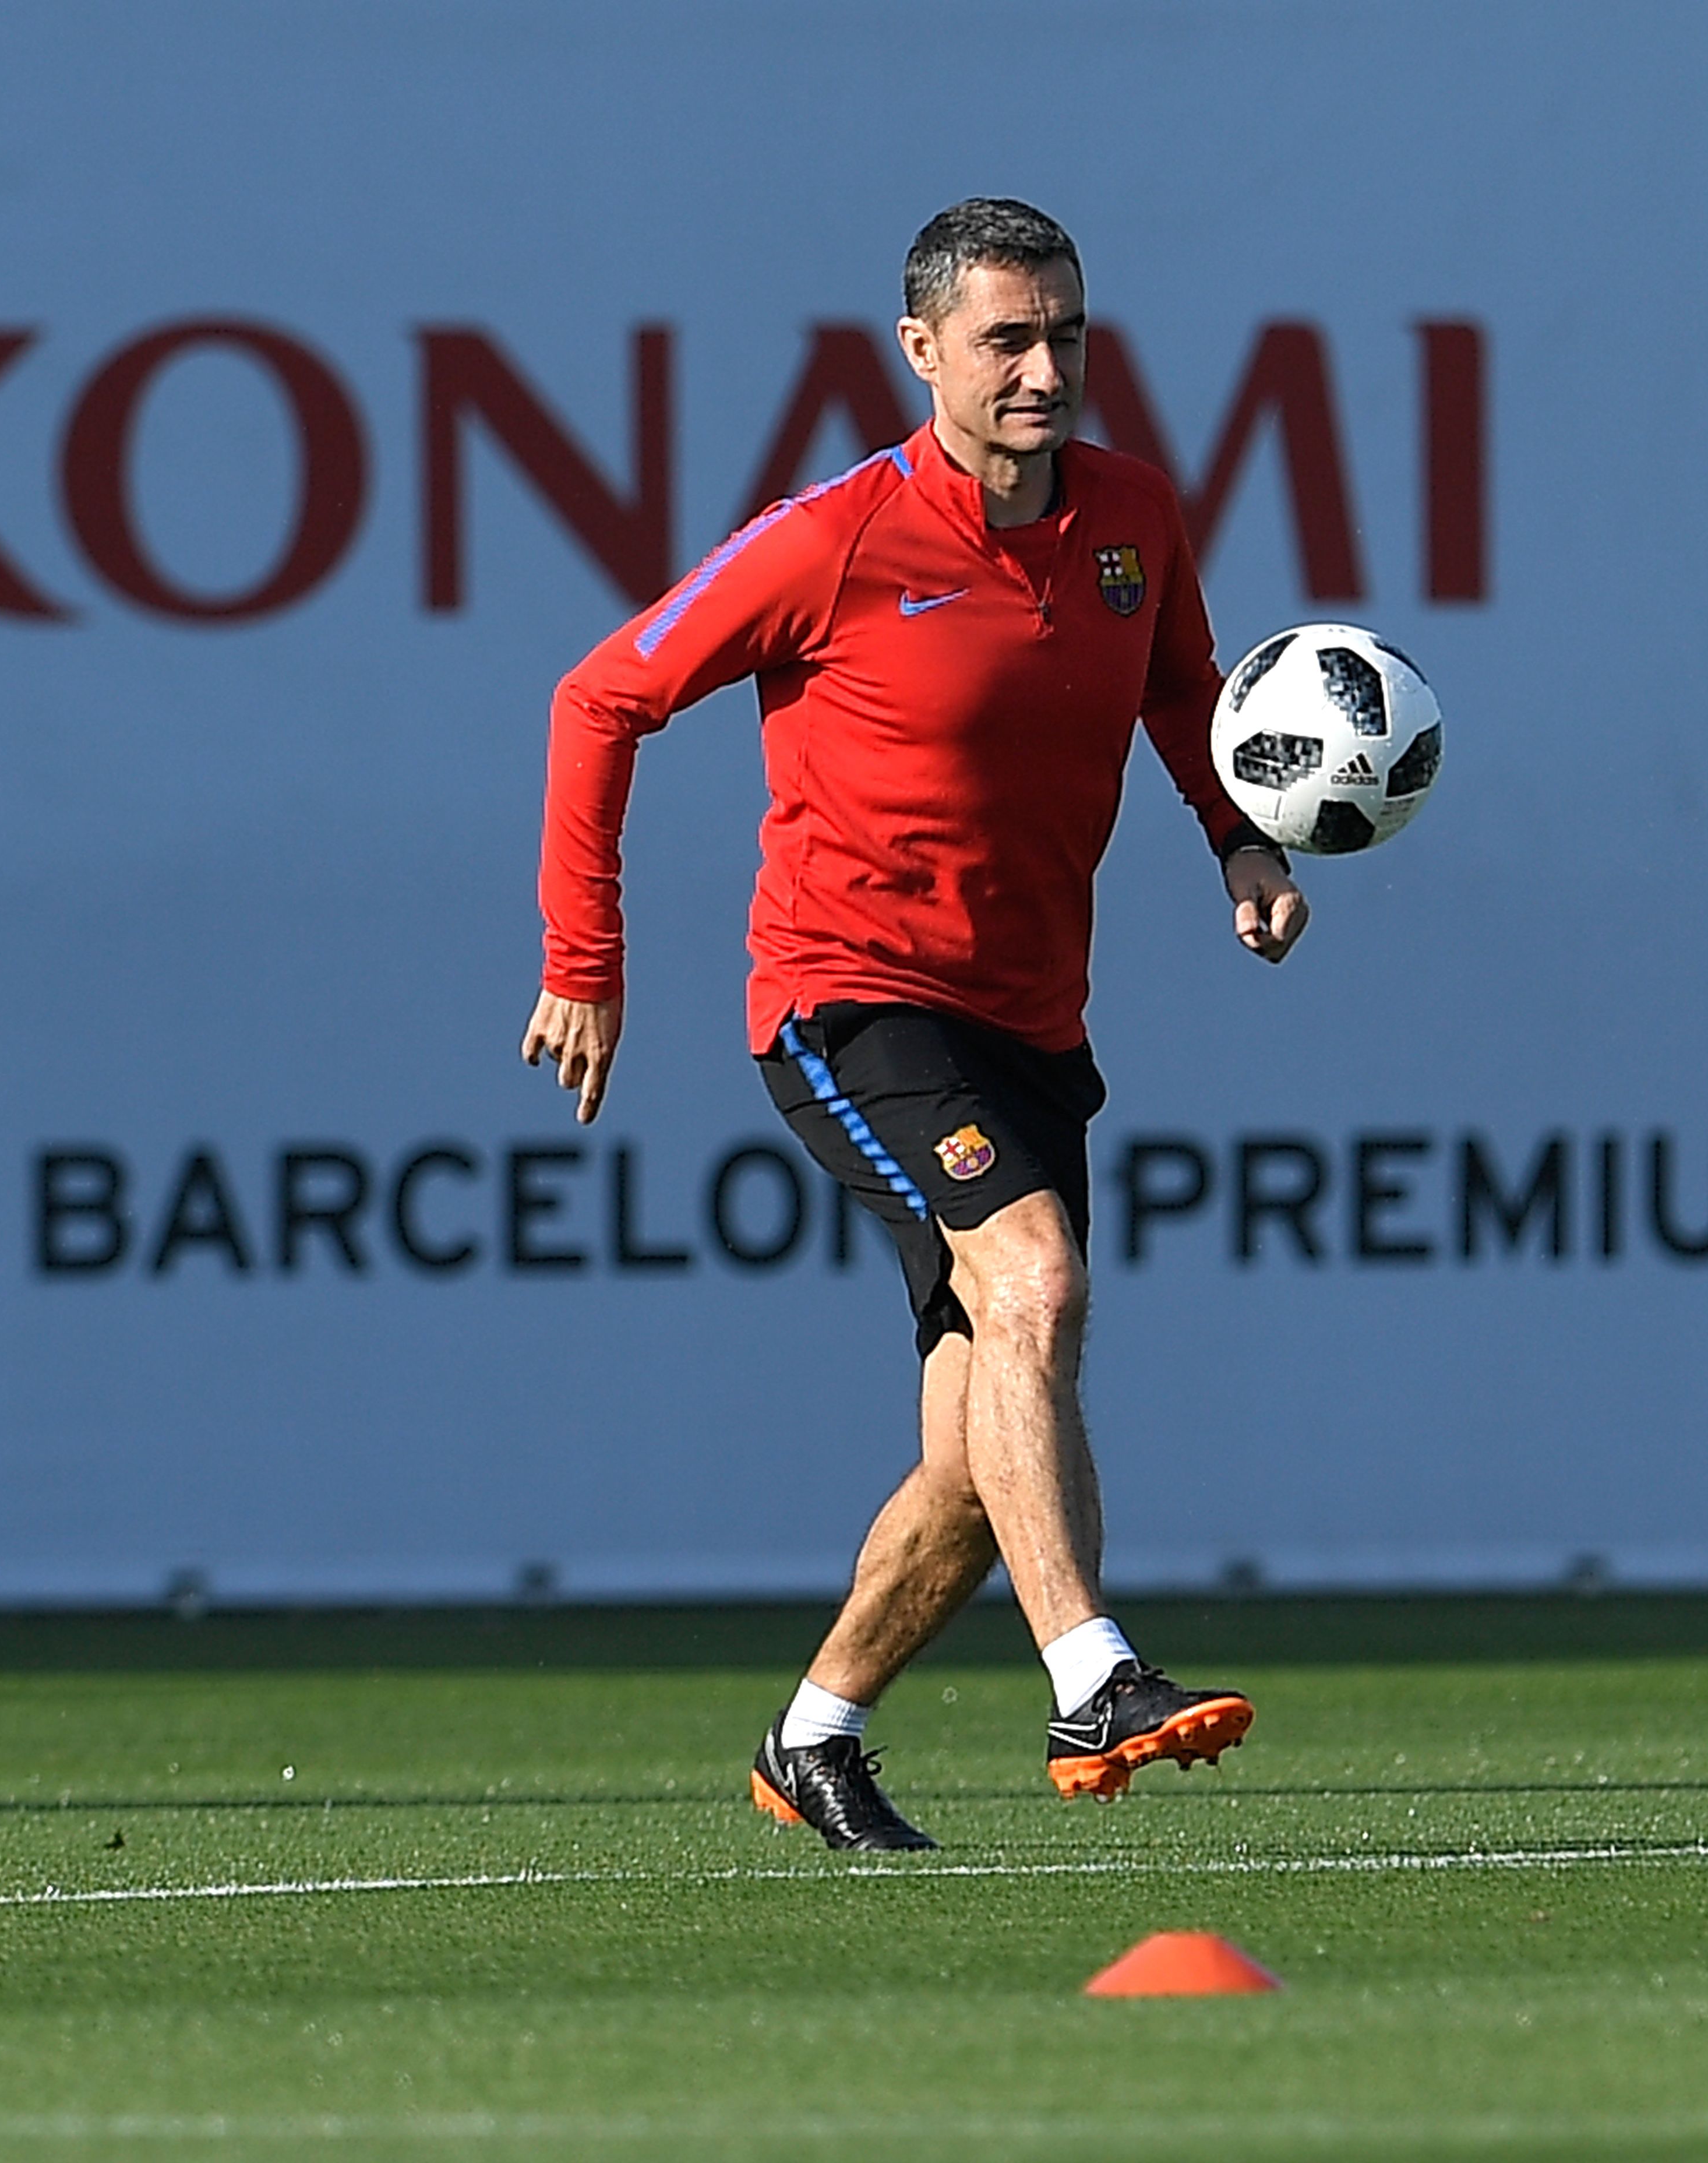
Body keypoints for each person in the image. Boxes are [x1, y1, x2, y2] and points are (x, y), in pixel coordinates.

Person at [522, 198, 1306, 1850]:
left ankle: (815, 1734)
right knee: (1037, 1282)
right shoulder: (833, 538)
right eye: (1007, 338)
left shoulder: (1133, 517)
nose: (1045, 370)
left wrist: (1238, 837)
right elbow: (601, 696)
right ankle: (1093, 1677)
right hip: (852, 999)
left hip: (1031, 1021)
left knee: (975, 1454)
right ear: (922, 351)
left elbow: (1183, 689)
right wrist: (584, 956)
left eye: (1067, 334)